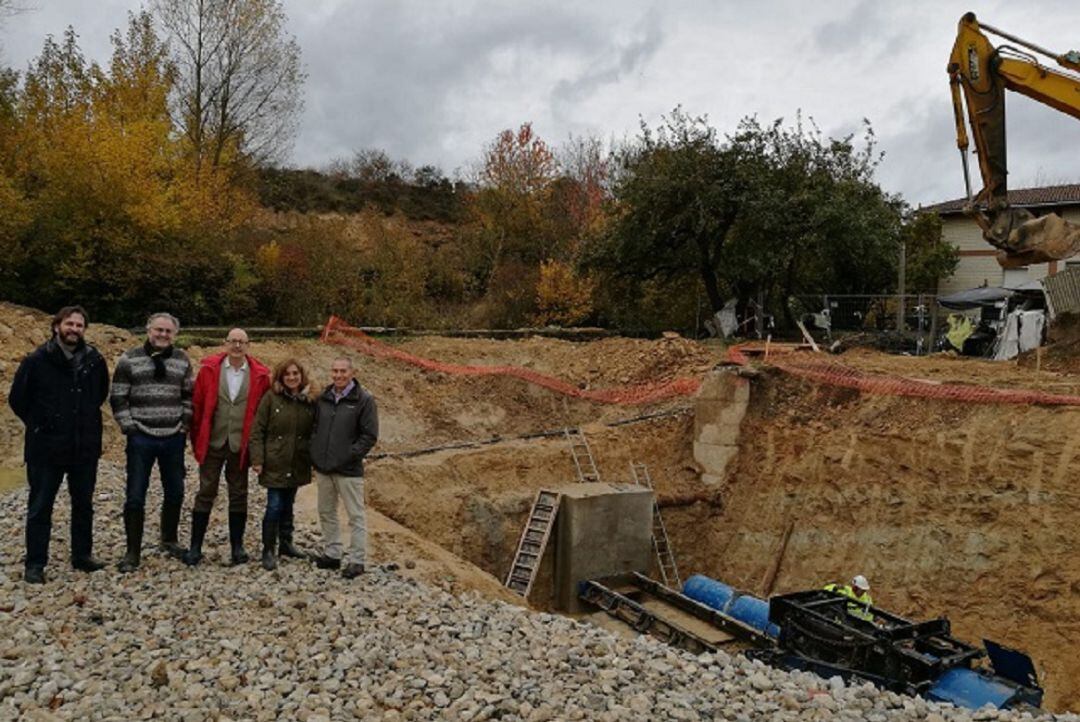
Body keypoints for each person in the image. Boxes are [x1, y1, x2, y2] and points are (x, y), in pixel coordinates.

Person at [8, 306, 110, 584]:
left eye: (79, 325)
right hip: (46, 448)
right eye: (69, 324)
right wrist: (40, 424)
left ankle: (82, 555)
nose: (74, 329)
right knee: (41, 505)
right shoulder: (36, 360)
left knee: (83, 504)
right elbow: (18, 399)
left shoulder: (94, 360)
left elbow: (100, 394)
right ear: (56, 326)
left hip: (84, 447)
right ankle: (36, 562)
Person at [111, 312, 193, 573]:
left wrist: (184, 426)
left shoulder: (182, 360)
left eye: (168, 332)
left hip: (173, 437)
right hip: (141, 436)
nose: (163, 335)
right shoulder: (129, 359)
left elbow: (188, 395)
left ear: (175, 335)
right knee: (135, 495)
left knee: (176, 492)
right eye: (159, 330)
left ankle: (169, 539)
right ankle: (132, 551)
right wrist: (129, 427)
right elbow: (118, 396)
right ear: (148, 330)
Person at [184, 328, 270, 566]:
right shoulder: (209, 370)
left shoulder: (260, 375)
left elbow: (263, 414)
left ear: (248, 345)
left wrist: (257, 449)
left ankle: (237, 547)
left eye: (242, 342)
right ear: (225, 343)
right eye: (233, 341)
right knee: (205, 491)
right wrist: (196, 439)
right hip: (213, 441)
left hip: (239, 445)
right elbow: (198, 406)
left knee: (239, 494)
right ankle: (194, 547)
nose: (237, 346)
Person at [310, 356, 378, 579]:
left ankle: (357, 559)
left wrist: (350, 455)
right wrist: (316, 453)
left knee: (355, 516)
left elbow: (369, 436)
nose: (338, 375)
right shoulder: (324, 398)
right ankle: (333, 553)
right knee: (326, 511)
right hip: (324, 467)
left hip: (348, 470)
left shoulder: (364, 400)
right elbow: (315, 427)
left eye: (343, 371)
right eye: (335, 371)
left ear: (352, 372)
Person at [249, 359, 315, 570]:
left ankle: (286, 543)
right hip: (275, 460)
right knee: (274, 505)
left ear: (301, 375)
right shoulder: (271, 398)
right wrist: (257, 459)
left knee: (288, 504)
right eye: (287, 374)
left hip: (297, 460)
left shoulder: (309, 401)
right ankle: (268, 548)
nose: (292, 377)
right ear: (280, 376)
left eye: (295, 373)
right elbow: (257, 430)